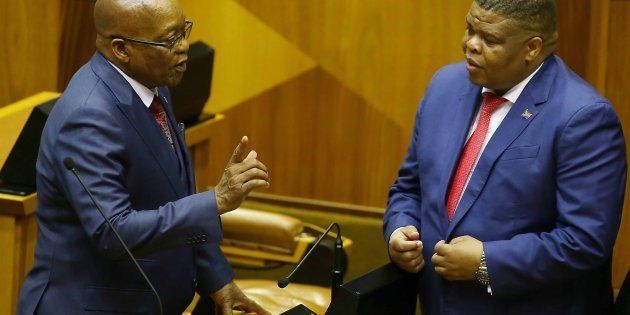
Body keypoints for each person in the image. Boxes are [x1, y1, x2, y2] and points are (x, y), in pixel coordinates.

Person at [17, 0, 271, 314]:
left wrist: (218, 280)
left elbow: (173, 194)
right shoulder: (88, 118)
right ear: (122, 49)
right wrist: (215, 200)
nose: (184, 47)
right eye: (169, 41)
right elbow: (113, 231)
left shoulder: (151, 85)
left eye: (184, 32)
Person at [383, 0, 626, 314]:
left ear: (532, 48)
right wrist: (399, 231)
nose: (470, 44)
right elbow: (409, 189)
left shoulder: (583, 117)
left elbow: (585, 240)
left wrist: (486, 263)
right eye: (470, 29)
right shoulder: (444, 86)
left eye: (489, 39)